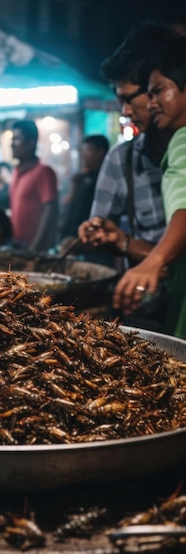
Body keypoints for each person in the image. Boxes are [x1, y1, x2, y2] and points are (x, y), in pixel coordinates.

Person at [77, 23, 175, 331]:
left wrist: (137, 250)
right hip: (149, 313)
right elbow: (103, 229)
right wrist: (101, 234)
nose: (125, 111)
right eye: (119, 100)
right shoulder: (121, 160)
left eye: (132, 98)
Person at [112, 35, 186, 340]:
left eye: (159, 92)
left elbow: (184, 207)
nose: (152, 103)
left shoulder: (182, 141)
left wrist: (153, 261)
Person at [10, 119, 58, 251]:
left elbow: (50, 210)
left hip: (35, 249)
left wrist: (35, 247)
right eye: (12, 139)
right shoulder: (16, 171)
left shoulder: (43, 172)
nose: (12, 145)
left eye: (17, 139)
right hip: (17, 245)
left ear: (31, 143)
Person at [61, 134, 109, 240]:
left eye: (88, 150)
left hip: (89, 242)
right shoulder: (82, 178)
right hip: (73, 237)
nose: (83, 155)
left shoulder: (106, 180)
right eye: (83, 151)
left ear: (100, 152)